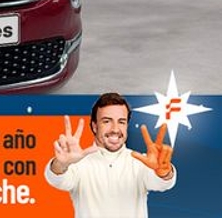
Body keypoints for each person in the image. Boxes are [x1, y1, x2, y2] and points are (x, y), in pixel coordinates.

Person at [45, 92, 176, 217]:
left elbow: (161, 184)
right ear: (95, 126)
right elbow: (57, 180)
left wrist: (164, 173)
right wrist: (61, 164)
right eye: (107, 121)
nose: (115, 129)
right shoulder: (78, 163)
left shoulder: (141, 162)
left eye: (121, 122)